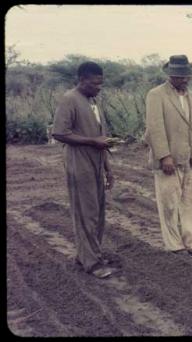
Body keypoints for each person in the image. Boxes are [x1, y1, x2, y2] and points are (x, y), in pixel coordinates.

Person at [52, 61, 118, 278]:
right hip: (79, 163)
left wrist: (108, 170)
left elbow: (102, 140)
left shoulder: (94, 101)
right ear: (82, 80)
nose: (99, 87)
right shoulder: (69, 99)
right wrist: (92, 141)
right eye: (94, 83)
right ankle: (92, 263)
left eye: (101, 84)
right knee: (85, 213)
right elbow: (59, 133)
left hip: (97, 162)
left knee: (98, 214)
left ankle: (90, 256)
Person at [144, 55, 192, 255]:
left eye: (187, 76)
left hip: (191, 158)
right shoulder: (156, 95)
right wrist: (164, 156)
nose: (185, 80)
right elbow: (155, 128)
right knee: (169, 205)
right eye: (180, 77)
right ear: (170, 75)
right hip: (169, 160)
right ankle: (174, 245)